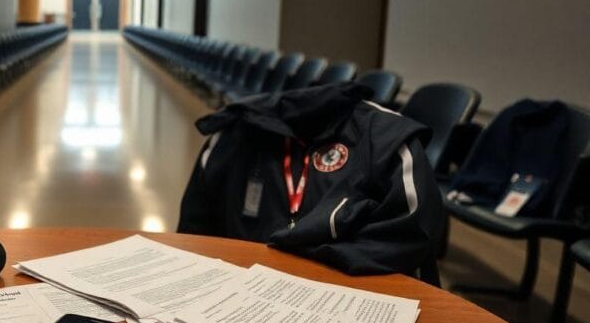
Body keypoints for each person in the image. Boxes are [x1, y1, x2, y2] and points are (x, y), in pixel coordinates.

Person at [177, 82, 444, 276]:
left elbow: (409, 240)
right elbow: (193, 237)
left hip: (348, 302)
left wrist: (304, 262)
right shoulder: (232, 138)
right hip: (240, 299)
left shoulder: (387, 140)